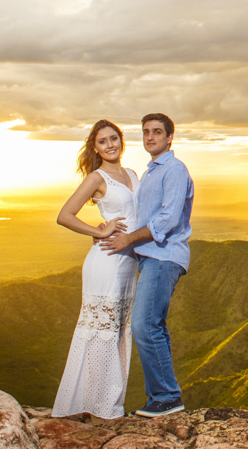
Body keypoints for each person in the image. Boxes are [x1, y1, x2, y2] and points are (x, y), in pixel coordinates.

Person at [98, 112, 194, 418]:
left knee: (144, 325)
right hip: (150, 256)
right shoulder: (151, 172)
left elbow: (168, 219)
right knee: (154, 325)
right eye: (146, 132)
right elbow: (138, 214)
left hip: (164, 256)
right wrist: (107, 228)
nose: (150, 137)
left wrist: (128, 239)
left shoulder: (174, 169)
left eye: (157, 132)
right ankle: (163, 397)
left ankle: (166, 397)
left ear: (170, 137)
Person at [52, 119, 139, 419]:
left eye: (114, 138)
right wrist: (98, 231)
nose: (110, 144)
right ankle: (94, 406)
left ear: (121, 140)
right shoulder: (96, 177)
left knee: (118, 332)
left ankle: (108, 403)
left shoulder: (132, 174)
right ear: (96, 148)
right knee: (101, 332)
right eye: (103, 141)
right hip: (106, 262)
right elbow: (65, 215)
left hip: (129, 263)